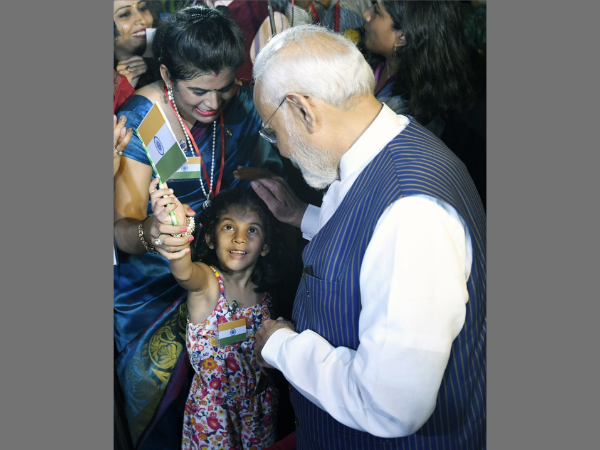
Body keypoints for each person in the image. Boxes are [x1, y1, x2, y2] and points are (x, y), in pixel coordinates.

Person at [239, 24, 486, 449]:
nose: (279, 149)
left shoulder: (412, 214)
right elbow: (370, 239)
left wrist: (281, 345)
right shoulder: (393, 142)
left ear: (303, 110)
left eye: (273, 131)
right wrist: (303, 216)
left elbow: (389, 406)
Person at [114, 6, 284, 449]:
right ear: (167, 75)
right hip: (152, 287)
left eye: (223, 89)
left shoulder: (242, 104)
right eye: (197, 92)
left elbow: (265, 177)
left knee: (237, 392)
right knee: (164, 409)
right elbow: (120, 229)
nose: (212, 104)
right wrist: (151, 233)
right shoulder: (142, 119)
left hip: (228, 269)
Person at [149, 180, 284, 449]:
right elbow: (183, 270)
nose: (240, 238)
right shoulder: (207, 283)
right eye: (229, 227)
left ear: (265, 246)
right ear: (210, 237)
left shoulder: (266, 295)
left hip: (259, 409)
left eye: (252, 230)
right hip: (213, 417)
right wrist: (175, 225)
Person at [363, 1, 476, 137]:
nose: (366, 14)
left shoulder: (417, 116)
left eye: (377, 12)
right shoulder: (368, 57)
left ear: (401, 37)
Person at [114, 0, 162, 89]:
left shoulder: (168, 60)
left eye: (143, 8)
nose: (143, 20)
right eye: (125, 14)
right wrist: (122, 90)